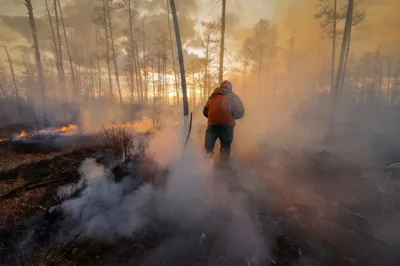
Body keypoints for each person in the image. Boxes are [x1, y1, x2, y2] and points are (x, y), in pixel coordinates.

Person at [203, 80, 245, 162]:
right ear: (230, 88)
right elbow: (241, 112)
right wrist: (232, 116)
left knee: (209, 149)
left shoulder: (213, 95)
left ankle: (206, 168)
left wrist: (213, 118)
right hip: (227, 127)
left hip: (212, 127)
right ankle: (223, 168)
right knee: (225, 148)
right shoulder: (233, 97)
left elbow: (205, 111)